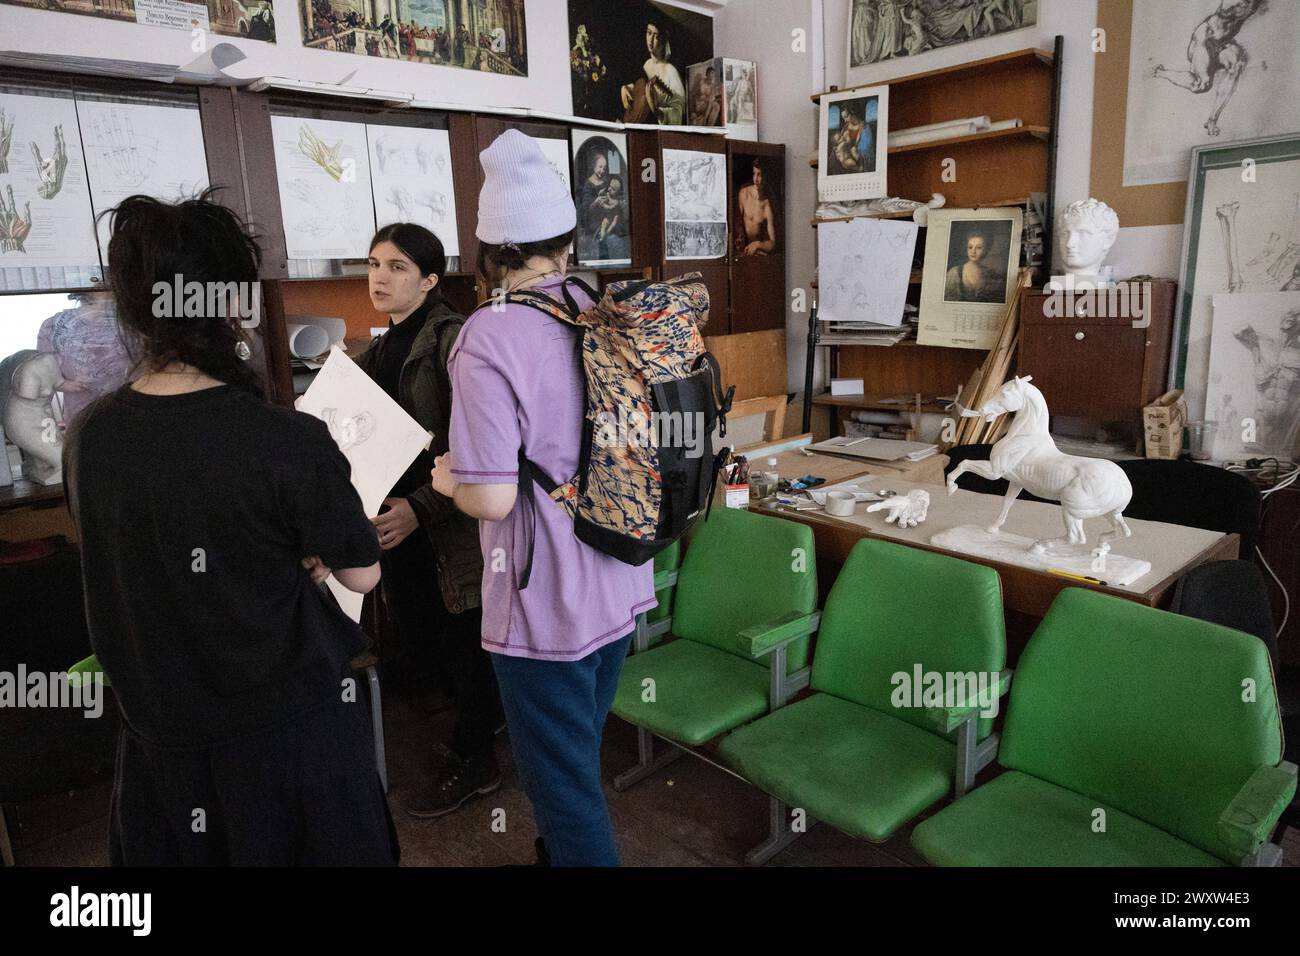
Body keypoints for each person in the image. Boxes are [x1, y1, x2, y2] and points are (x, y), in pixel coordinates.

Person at [63, 193, 397, 866]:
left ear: (132, 306)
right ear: (229, 302)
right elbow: (363, 571)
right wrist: (316, 552)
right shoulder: (286, 439)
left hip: (160, 747)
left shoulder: (90, 436)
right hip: (290, 747)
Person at [430, 130, 655, 866]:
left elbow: (492, 500)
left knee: (562, 789)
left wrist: (448, 481)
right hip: (622, 576)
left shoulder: (488, 335)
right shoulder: (604, 308)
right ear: (564, 238)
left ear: (489, 251)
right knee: (577, 759)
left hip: (545, 601)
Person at [351, 223, 503, 818]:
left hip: (449, 527)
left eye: (397, 267)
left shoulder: (454, 341)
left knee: (464, 644)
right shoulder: (377, 349)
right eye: (373, 264)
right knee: (421, 640)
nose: (379, 277)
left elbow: (480, 449)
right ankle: (479, 733)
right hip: (394, 526)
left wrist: (421, 508)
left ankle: (478, 760)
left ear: (431, 279)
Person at [620, 21, 686, 125]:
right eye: (649, 33)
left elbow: (679, 111)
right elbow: (640, 91)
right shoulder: (647, 64)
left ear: (663, 40)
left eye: (656, 36)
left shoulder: (671, 71)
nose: (650, 40)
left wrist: (656, 110)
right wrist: (625, 88)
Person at [944, 230, 1006, 303]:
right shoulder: (954, 273)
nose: (973, 251)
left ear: (987, 250)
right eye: (970, 247)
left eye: (979, 247)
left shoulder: (992, 275)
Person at [735, 156, 777, 256]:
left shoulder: (767, 205)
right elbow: (736, 225)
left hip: (757, 252)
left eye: (760, 175)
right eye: (754, 174)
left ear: (766, 177)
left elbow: (773, 242)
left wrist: (757, 244)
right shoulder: (744, 194)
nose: (755, 179)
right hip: (741, 250)